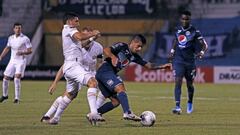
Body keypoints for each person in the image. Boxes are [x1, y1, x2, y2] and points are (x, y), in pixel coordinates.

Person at [40, 12, 102, 125]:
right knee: (93, 83)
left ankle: (55, 118)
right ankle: (94, 113)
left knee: (71, 94)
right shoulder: (70, 29)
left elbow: (81, 43)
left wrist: (92, 38)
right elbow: (80, 36)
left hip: (70, 67)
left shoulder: (68, 31)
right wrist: (93, 33)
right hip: (73, 66)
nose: (78, 23)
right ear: (69, 21)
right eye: (76, 20)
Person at [95, 34, 172, 122]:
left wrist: (162, 66)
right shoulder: (122, 46)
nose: (139, 49)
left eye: (141, 47)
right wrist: (113, 57)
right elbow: (106, 49)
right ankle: (128, 113)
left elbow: (149, 66)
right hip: (105, 71)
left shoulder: (135, 56)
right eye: (138, 46)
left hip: (107, 74)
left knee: (116, 101)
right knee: (120, 87)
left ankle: (95, 114)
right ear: (133, 42)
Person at [169, 10, 208, 114]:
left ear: (190, 20)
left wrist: (202, 53)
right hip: (179, 61)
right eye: (183, 19)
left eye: (187, 19)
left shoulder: (195, 31)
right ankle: (177, 107)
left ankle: (190, 102)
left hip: (190, 62)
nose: (185, 21)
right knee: (178, 81)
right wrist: (172, 51)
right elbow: (176, 41)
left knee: (189, 85)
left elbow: (205, 45)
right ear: (180, 19)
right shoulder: (177, 30)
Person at [0, 23, 32, 104]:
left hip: (21, 61)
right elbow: (7, 48)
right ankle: (5, 95)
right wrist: (1, 56)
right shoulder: (10, 38)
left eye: (19, 28)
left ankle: (17, 98)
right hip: (12, 61)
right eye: (16, 28)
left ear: (21, 29)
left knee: (16, 78)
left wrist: (22, 52)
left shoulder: (25, 38)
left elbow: (30, 50)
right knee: (5, 77)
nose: (18, 29)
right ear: (13, 29)